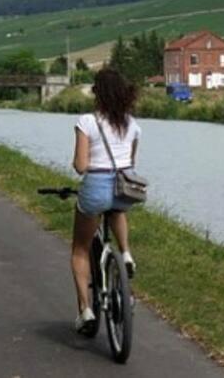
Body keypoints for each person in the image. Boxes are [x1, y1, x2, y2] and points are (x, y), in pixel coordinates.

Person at [71, 68, 141, 335]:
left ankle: (85, 310)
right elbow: (131, 163)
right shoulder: (131, 124)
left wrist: (79, 164)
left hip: (96, 186)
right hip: (124, 187)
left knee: (79, 249)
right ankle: (125, 252)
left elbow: (80, 166)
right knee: (116, 209)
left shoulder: (87, 122)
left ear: (97, 94)